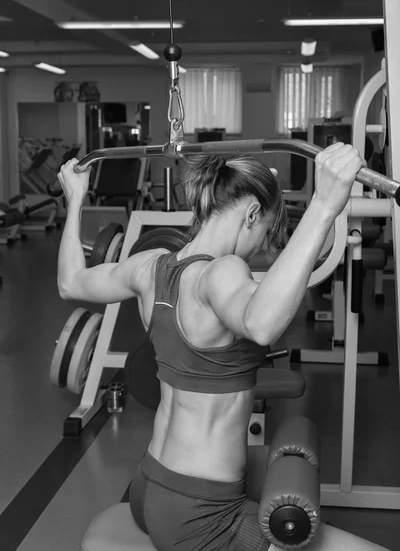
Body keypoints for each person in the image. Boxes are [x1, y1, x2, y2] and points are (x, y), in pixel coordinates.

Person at [57, 143, 389, 551]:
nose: (261, 244)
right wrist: (323, 204)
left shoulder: (152, 266)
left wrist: (75, 200)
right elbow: (261, 323)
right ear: (251, 213)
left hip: (149, 484)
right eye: (266, 229)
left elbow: (71, 282)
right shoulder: (224, 271)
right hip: (200, 514)